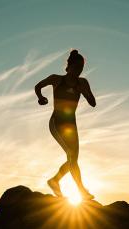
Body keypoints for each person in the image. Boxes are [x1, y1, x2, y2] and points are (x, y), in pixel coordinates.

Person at [34, 49, 96, 200]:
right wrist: (41, 98)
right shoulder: (56, 79)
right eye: (76, 68)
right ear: (69, 67)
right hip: (56, 122)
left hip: (71, 125)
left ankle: (54, 181)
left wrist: (85, 92)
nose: (79, 71)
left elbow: (93, 103)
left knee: (73, 158)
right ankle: (81, 190)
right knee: (72, 156)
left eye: (81, 68)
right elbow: (38, 86)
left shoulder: (83, 82)